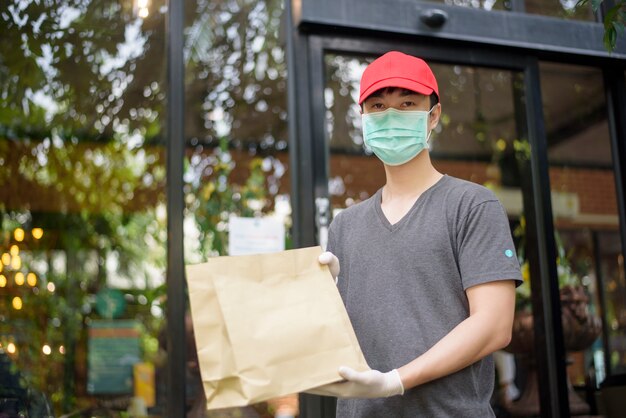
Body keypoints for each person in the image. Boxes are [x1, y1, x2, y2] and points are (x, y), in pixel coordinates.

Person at [310, 51, 523, 417]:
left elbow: (494, 326)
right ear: (363, 119)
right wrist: (314, 297)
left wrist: (396, 380)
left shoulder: (471, 206)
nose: (390, 116)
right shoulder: (345, 225)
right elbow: (328, 343)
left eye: (407, 103)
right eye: (377, 105)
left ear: (433, 115)